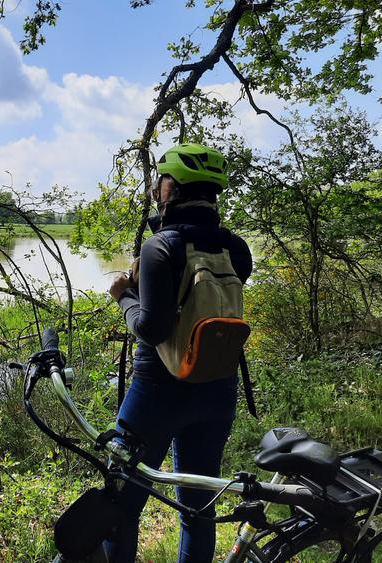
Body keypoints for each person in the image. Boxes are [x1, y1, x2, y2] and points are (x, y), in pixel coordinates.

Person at [105, 143, 252, 562]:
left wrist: (124, 296)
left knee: (121, 504)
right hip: (217, 391)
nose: (155, 189)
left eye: (160, 182)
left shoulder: (160, 247)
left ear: (173, 188)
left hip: (156, 392)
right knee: (198, 508)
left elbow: (151, 327)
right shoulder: (236, 249)